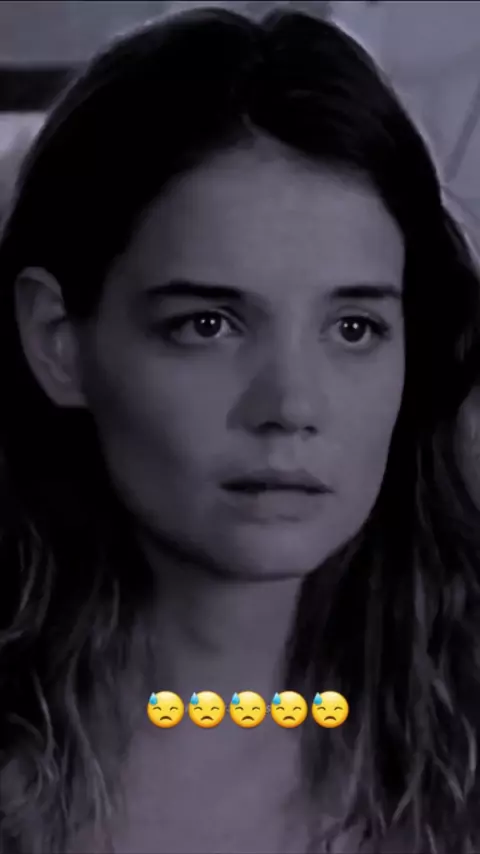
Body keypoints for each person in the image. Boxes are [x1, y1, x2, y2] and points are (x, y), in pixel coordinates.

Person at [1, 5, 480, 853]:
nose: (291, 405)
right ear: (57, 341)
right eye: (209, 324)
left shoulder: (456, 754)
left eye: (354, 329)